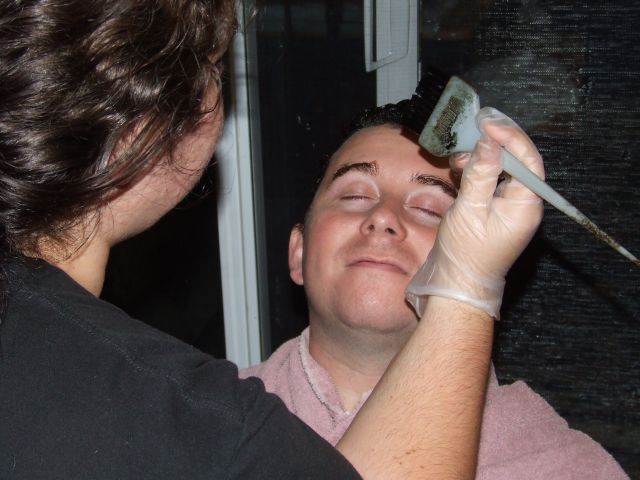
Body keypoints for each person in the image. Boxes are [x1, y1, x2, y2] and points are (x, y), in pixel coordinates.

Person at [0, 1, 553, 478]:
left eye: (430, 208)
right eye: (214, 68)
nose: (384, 220)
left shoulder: (560, 460)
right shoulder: (204, 430)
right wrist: (468, 281)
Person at [240, 102, 629, 479]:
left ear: (480, 251)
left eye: (429, 208)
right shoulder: (212, 425)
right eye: (355, 195)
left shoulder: (570, 468)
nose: (383, 217)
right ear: (299, 252)